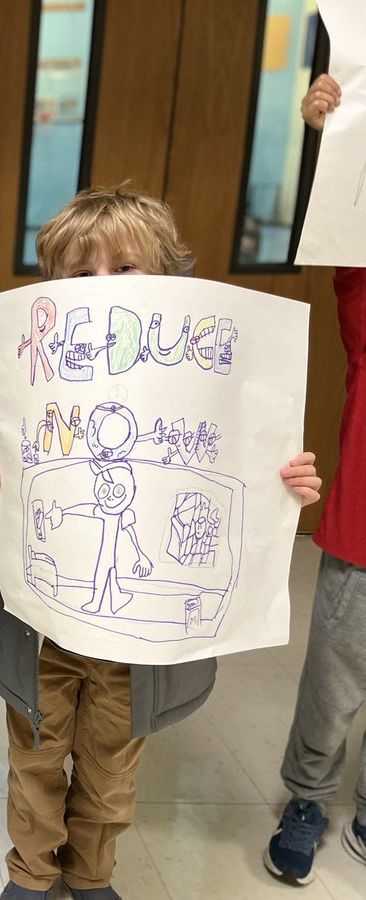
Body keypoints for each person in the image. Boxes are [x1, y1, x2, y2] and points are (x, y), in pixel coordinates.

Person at [0, 184, 322, 900]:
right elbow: (22, 511)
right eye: (80, 274)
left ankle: (91, 874)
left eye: (124, 268)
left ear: (169, 279)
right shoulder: (42, 380)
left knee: (110, 769)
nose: (102, 287)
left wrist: (286, 487)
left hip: (140, 649)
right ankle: (31, 875)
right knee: (36, 759)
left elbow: (242, 474)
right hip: (44, 632)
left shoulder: (208, 385)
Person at [263, 72, 366, 887]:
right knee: (337, 675)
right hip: (363, 524)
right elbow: (347, 228)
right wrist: (332, 139)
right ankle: (308, 797)